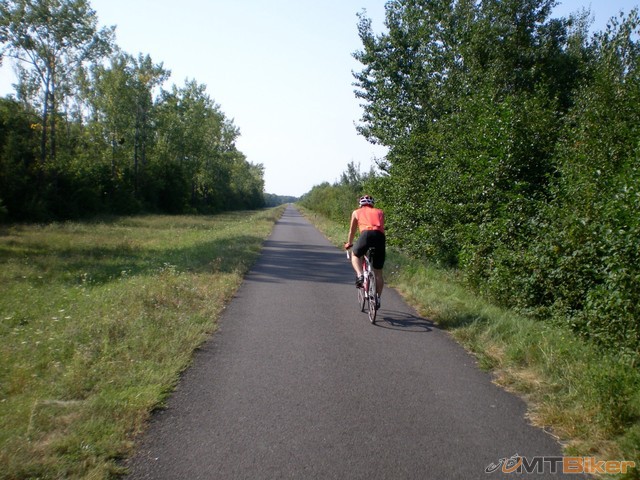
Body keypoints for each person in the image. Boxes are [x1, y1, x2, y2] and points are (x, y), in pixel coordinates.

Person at [344, 194, 386, 309]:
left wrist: (349, 243)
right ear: (372, 204)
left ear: (360, 204)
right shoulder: (380, 212)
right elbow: (382, 228)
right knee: (378, 273)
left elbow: (352, 230)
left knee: (355, 255)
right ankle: (377, 298)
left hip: (366, 234)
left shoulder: (356, 212)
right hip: (380, 237)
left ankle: (360, 275)